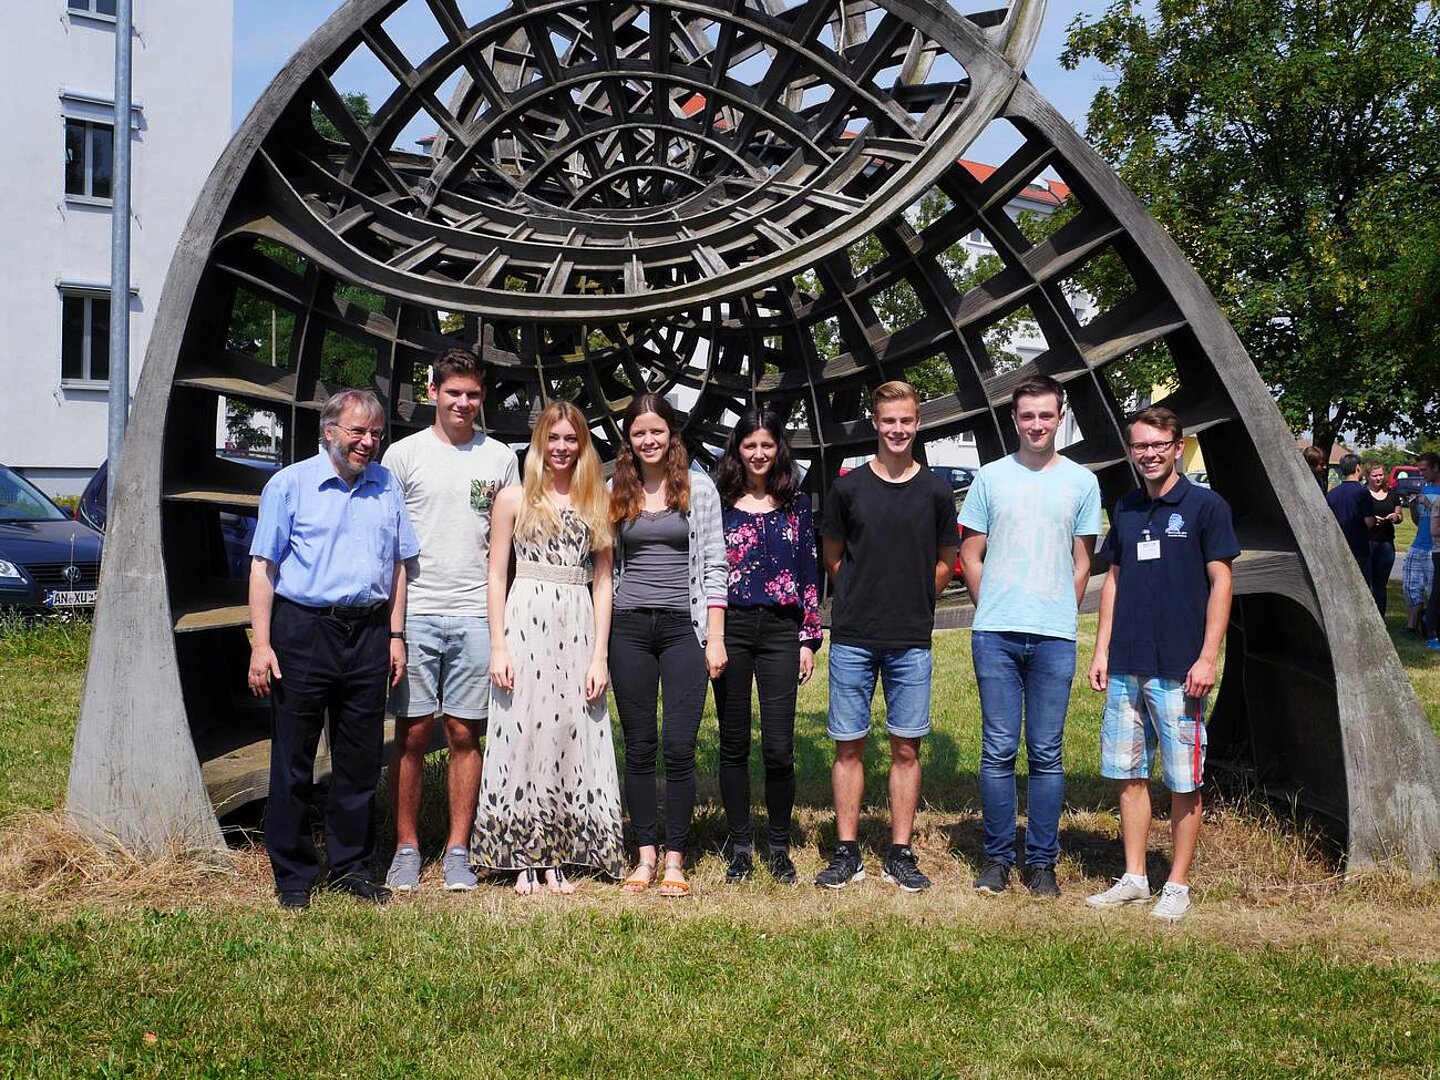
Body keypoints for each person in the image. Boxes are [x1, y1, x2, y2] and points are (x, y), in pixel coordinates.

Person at [247, 389, 419, 909]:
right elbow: (263, 567)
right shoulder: (289, 485)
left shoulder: (386, 485)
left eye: (375, 433)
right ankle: (294, 875)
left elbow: (398, 566)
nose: (367, 442)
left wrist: (395, 635)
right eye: (357, 431)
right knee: (293, 758)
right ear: (329, 432)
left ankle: (351, 867)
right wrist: (261, 644)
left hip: (368, 633)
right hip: (304, 631)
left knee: (359, 759)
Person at [1085, 407, 1238, 922]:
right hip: (1127, 663)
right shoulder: (1126, 507)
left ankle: (1177, 884)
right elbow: (1114, 581)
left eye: (1158, 445)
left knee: (1182, 779)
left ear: (1177, 446)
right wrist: (1102, 650)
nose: (1149, 454)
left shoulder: (1205, 506)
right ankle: (1134, 877)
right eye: (1140, 446)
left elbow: (1221, 583)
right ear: (1131, 451)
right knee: (1129, 774)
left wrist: (1207, 657)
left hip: (1180, 668)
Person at [473, 401, 625, 894]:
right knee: (521, 728)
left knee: (569, 729)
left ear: (582, 445)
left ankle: (559, 851)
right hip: (525, 619)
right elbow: (496, 575)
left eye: (570, 439)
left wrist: (600, 654)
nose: (561, 448)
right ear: (540, 442)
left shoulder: (597, 499)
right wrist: (498, 646)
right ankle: (521, 854)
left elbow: (604, 580)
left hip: (577, 622)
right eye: (553, 438)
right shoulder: (512, 499)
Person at [382, 348, 519, 893]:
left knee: (465, 731)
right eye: (454, 392)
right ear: (433, 392)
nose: (463, 402)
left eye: (473, 394)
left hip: (475, 614)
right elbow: (392, 549)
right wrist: (395, 628)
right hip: (418, 610)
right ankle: (406, 847)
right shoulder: (403, 455)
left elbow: (506, 547)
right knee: (413, 733)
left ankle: (459, 848)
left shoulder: (499, 458)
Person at [959, 376, 1101, 898]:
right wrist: (993, 604)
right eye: (1027, 416)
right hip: (995, 634)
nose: (1036, 424)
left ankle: (1042, 862)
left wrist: (1058, 607)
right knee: (998, 749)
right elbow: (970, 554)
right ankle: (997, 858)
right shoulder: (990, 478)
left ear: (1060, 417)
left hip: (1053, 636)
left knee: (1046, 752)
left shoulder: (1082, 482)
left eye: (1045, 415)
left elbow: (1082, 563)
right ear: (1014, 419)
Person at [816, 381, 958, 892]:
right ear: (875, 424)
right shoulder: (849, 488)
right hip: (854, 635)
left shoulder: (936, 491)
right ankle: (847, 851)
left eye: (906, 421)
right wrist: (859, 594)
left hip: (910, 638)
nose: (898, 430)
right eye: (889, 421)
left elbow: (946, 560)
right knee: (848, 746)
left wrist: (916, 597)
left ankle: (900, 852)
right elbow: (833, 556)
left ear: (918, 423)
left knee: (906, 749)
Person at [608, 393, 728, 897]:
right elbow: (604, 567)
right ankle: (645, 856)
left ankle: (676, 859)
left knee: (680, 746)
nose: (649, 440)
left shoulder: (699, 489)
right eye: (639, 432)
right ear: (628, 439)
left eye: (656, 430)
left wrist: (715, 637)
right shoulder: (614, 490)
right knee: (639, 746)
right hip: (628, 628)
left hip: (684, 628)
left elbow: (716, 564)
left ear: (671, 434)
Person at [712, 409, 822, 885]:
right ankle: (740, 846)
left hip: (780, 631)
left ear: (779, 449)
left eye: (767, 445)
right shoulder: (719, 502)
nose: (758, 454)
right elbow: (705, 571)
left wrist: (808, 639)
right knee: (734, 743)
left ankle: (778, 846)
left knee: (778, 747)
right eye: (750, 445)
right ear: (737, 449)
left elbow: (808, 571)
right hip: (732, 628)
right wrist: (712, 636)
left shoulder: (797, 503)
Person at [1404, 453, 1440, 640]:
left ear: (1436, 467)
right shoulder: (1425, 487)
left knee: (1434, 591)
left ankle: (1431, 628)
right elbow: (1420, 521)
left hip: (1435, 548)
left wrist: (1428, 503)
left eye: (1424, 469)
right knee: (1411, 587)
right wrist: (1412, 507)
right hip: (1418, 544)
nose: (1421, 473)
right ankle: (1411, 627)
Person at [1363, 460, 1404, 616]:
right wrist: (1371, 520)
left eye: (1381, 475)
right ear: (1368, 476)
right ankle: (1366, 615)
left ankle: (1380, 617)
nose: (1378, 478)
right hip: (1367, 542)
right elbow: (1356, 516)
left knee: (1381, 585)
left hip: (1386, 542)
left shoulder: (1391, 493)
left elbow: (1400, 515)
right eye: (1375, 476)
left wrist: (1396, 517)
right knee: (1367, 583)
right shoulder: (1363, 493)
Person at [1325, 453, 1372, 589]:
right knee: (1361, 586)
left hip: (1337, 546)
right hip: (1359, 547)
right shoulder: (1363, 493)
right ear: (1358, 468)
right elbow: (1369, 521)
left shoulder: (1332, 493)